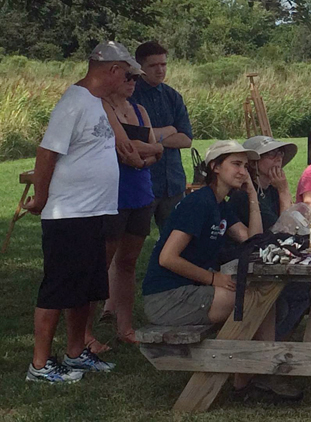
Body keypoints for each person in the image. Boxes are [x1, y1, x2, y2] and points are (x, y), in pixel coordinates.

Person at [23, 41, 142, 383]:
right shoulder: (73, 102)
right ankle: (40, 365)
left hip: (94, 212)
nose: (129, 79)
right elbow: (47, 153)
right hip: (69, 213)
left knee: (86, 288)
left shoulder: (97, 103)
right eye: (128, 73)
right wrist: (42, 197)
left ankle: (76, 353)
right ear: (113, 70)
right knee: (58, 288)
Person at [141, 140, 286, 401]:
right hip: (166, 297)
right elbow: (167, 258)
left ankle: (254, 376)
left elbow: (253, 241)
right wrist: (213, 278)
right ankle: (246, 382)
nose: (242, 171)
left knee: (263, 299)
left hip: (191, 291)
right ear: (215, 167)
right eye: (235, 164)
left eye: (245, 166)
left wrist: (252, 196)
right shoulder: (200, 203)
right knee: (253, 301)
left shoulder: (220, 204)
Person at [84, 67, 164, 352]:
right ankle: (85, 333)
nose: (132, 83)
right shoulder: (102, 107)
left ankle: (125, 327)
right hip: (111, 195)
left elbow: (157, 149)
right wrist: (146, 151)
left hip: (141, 192)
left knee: (128, 263)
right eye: (127, 77)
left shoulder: (140, 110)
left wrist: (142, 158)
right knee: (100, 264)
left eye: (135, 78)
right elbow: (123, 146)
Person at [225, 136, 307, 401]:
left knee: (302, 293)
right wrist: (285, 192)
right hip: (244, 266)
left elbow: (292, 228)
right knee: (290, 295)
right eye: (272, 154)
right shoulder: (242, 196)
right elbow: (282, 230)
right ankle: (263, 364)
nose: (279, 158)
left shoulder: (268, 190)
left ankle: (270, 357)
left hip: (266, 262)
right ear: (255, 162)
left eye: (281, 154)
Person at [132, 41, 193, 229]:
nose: (160, 70)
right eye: (153, 65)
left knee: (174, 240)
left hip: (173, 182)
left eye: (163, 64)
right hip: (143, 181)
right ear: (140, 67)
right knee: (132, 240)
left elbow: (186, 139)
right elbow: (133, 140)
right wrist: (168, 130)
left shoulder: (172, 96)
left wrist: (152, 139)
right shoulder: (131, 96)